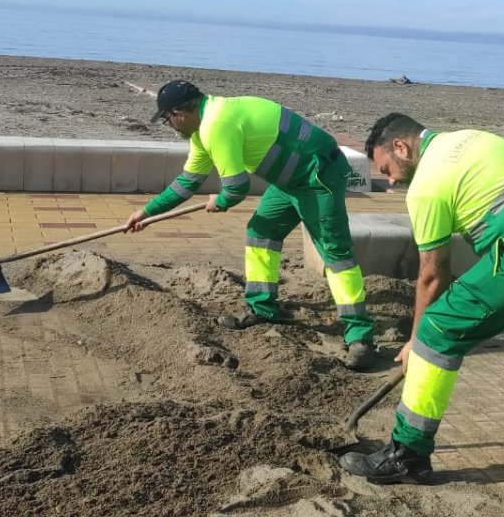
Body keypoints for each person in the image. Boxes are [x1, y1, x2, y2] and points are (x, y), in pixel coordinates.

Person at [339, 113, 504, 484]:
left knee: (437, 331)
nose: (389, 180)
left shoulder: (427, 185)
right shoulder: (468, 138)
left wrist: (417, 342)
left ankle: (407, 453)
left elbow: (433, 275)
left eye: (387, 168)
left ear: (401, 147)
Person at [124, 79, 376, 370]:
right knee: (261, 232)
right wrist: (146, 212)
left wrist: (221, 201)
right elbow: (187, 182)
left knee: (335, 252)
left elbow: (236, 187)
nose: (170, 125)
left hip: (318, 174)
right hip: (289, 182)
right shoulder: (202, 130)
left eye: (167, 119)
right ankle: (263, 308)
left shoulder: (216, 124)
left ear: (180, 113)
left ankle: (360, 337)